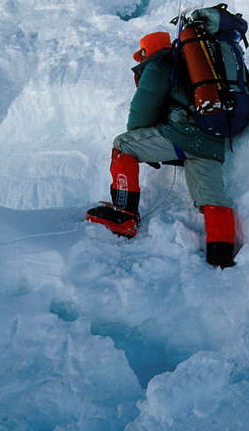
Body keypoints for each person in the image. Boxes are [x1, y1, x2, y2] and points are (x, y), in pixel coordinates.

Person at [86, 30, 237, 267]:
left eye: (141, 55)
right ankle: (221, 254)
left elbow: (141, 113)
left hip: (183, 136)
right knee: (212, 197)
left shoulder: (159, 65)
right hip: (211, 141)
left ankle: (124, 215)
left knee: (123, 144)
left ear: (147, 52)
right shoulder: (192, 66)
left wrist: (143, 142)